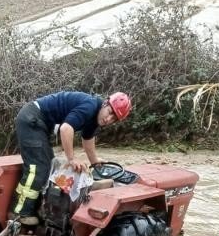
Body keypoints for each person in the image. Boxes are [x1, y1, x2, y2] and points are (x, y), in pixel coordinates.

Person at [12, 90, 133, 225]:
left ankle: (38, 208)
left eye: (114, 119)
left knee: (49, 166)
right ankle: (20, 213)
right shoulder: (90, 106)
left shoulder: (95, 117)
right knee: (38, 168)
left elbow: (87, 139)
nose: (108, 119)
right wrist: (72, 159)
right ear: (105, 103)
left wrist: (94, 161)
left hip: (40, 122)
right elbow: (66, 129)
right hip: (32, 118)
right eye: (110, 112)